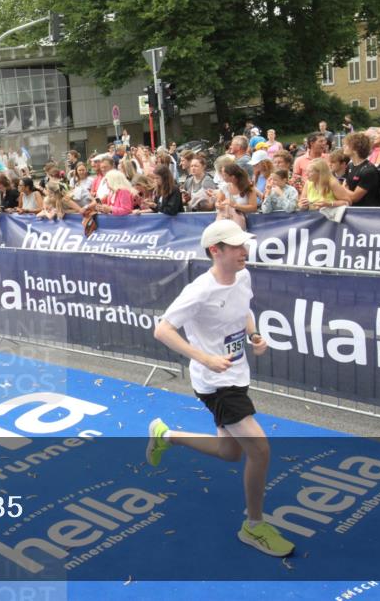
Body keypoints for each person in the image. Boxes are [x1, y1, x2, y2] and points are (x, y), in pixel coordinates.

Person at [149, 219, 294, 558]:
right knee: (259, 449)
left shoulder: (243, 276)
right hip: (215, 384)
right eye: (237, 246)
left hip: (237, 375)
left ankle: (165, 435)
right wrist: (204, 358)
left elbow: (243, 312)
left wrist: (254, 335)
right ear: (216, 251)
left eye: (245, 244)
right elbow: (163, 330)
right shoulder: (199, 290)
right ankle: (254, 526)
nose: (245, 251)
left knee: (231, 453)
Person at [342, 132, 380, 207]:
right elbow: (345, 188)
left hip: (367, 214)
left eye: (346, 145)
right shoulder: (350, 166)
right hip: (352, 211)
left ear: (355, 148)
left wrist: (337, 187)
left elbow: (354, 197)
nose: (343, 146)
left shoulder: (369, 171)